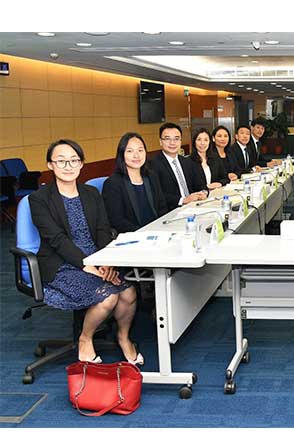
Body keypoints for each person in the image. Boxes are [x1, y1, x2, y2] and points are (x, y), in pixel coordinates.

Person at [29, 139, 142, 365]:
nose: (68, 166)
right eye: (61, 161)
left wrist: (106, 261)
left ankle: (123, 337)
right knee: (108, 296)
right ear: (50, 165)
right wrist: (86, 265)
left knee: (128, 294)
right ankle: (85, 338)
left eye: (74, 160)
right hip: (61, 264)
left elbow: (103, 229)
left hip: (96, 258)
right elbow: (56, 239)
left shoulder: (91, 193)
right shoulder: (39, 199)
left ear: (81, 164)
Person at [102, 132, 168, 234]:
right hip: (134, 236)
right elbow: (117, 220)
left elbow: (162, 207)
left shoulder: (151, 176)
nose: (136, 155)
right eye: (130, 151)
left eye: (140, 150)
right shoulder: (113, 183)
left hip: (158, 232)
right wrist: (143, 233)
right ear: (122, 154)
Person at [148, 122, 208, 212]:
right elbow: (156, 194)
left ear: (180, 141)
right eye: (167, 139)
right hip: (171, 212)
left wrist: (203, 192)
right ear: (160, 142)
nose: (172, 143)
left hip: (193, 207)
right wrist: (183, 200)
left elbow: (201, 185)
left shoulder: (187, 161)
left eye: (176, 139)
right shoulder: (152, 164)